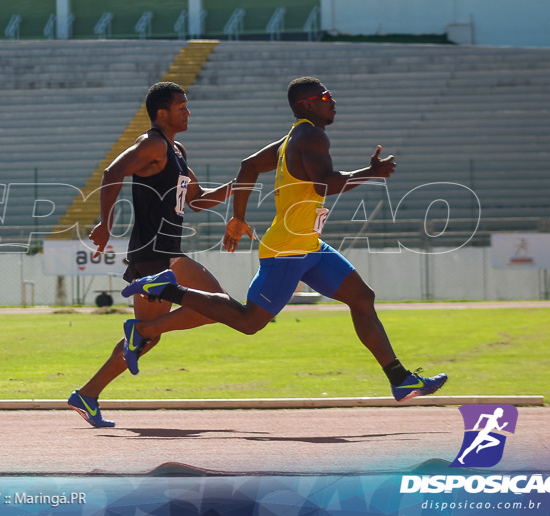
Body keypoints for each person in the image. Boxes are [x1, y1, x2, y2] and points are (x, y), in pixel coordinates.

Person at [121, 77, 447, 402]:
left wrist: (238, 217)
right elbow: (327, 184)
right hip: (288, 248)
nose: (333, 101)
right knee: (248, 322)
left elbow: (248, 167)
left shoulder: (294, 137)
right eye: (326, 96)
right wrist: (370, 173)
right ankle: (164, 288)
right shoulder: (310, 136)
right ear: (307, 104)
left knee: (362, 298)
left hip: (310, 245)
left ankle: (400, 379)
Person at [68, 82, 234, 428]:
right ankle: (139, 330)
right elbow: (113, 172)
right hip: (160, 251)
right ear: (162, 113)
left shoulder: (177, 150)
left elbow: (198, 200)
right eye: (182, 107)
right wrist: (105, 223)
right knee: (220, 304)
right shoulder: (152, 143)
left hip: (154, 253)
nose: (188, 112)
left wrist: (238, 184)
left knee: (148, 337)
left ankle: (88, 393)